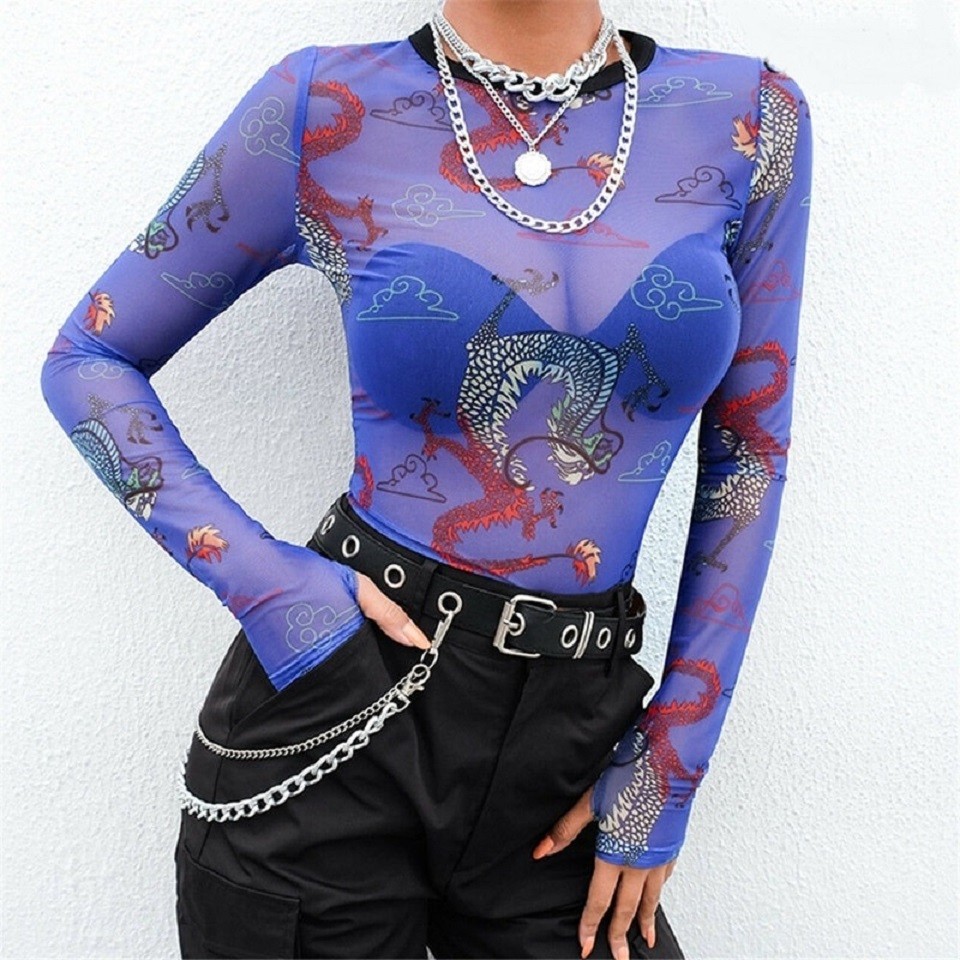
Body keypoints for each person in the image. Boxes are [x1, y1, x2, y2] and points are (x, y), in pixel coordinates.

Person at [38, 0, 813, 956]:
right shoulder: (322, 103)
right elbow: (88, 359)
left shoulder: (750, 115)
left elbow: (750, 453)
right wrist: (275, 590)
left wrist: (673, 757)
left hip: (573, 745)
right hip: (340, 710)